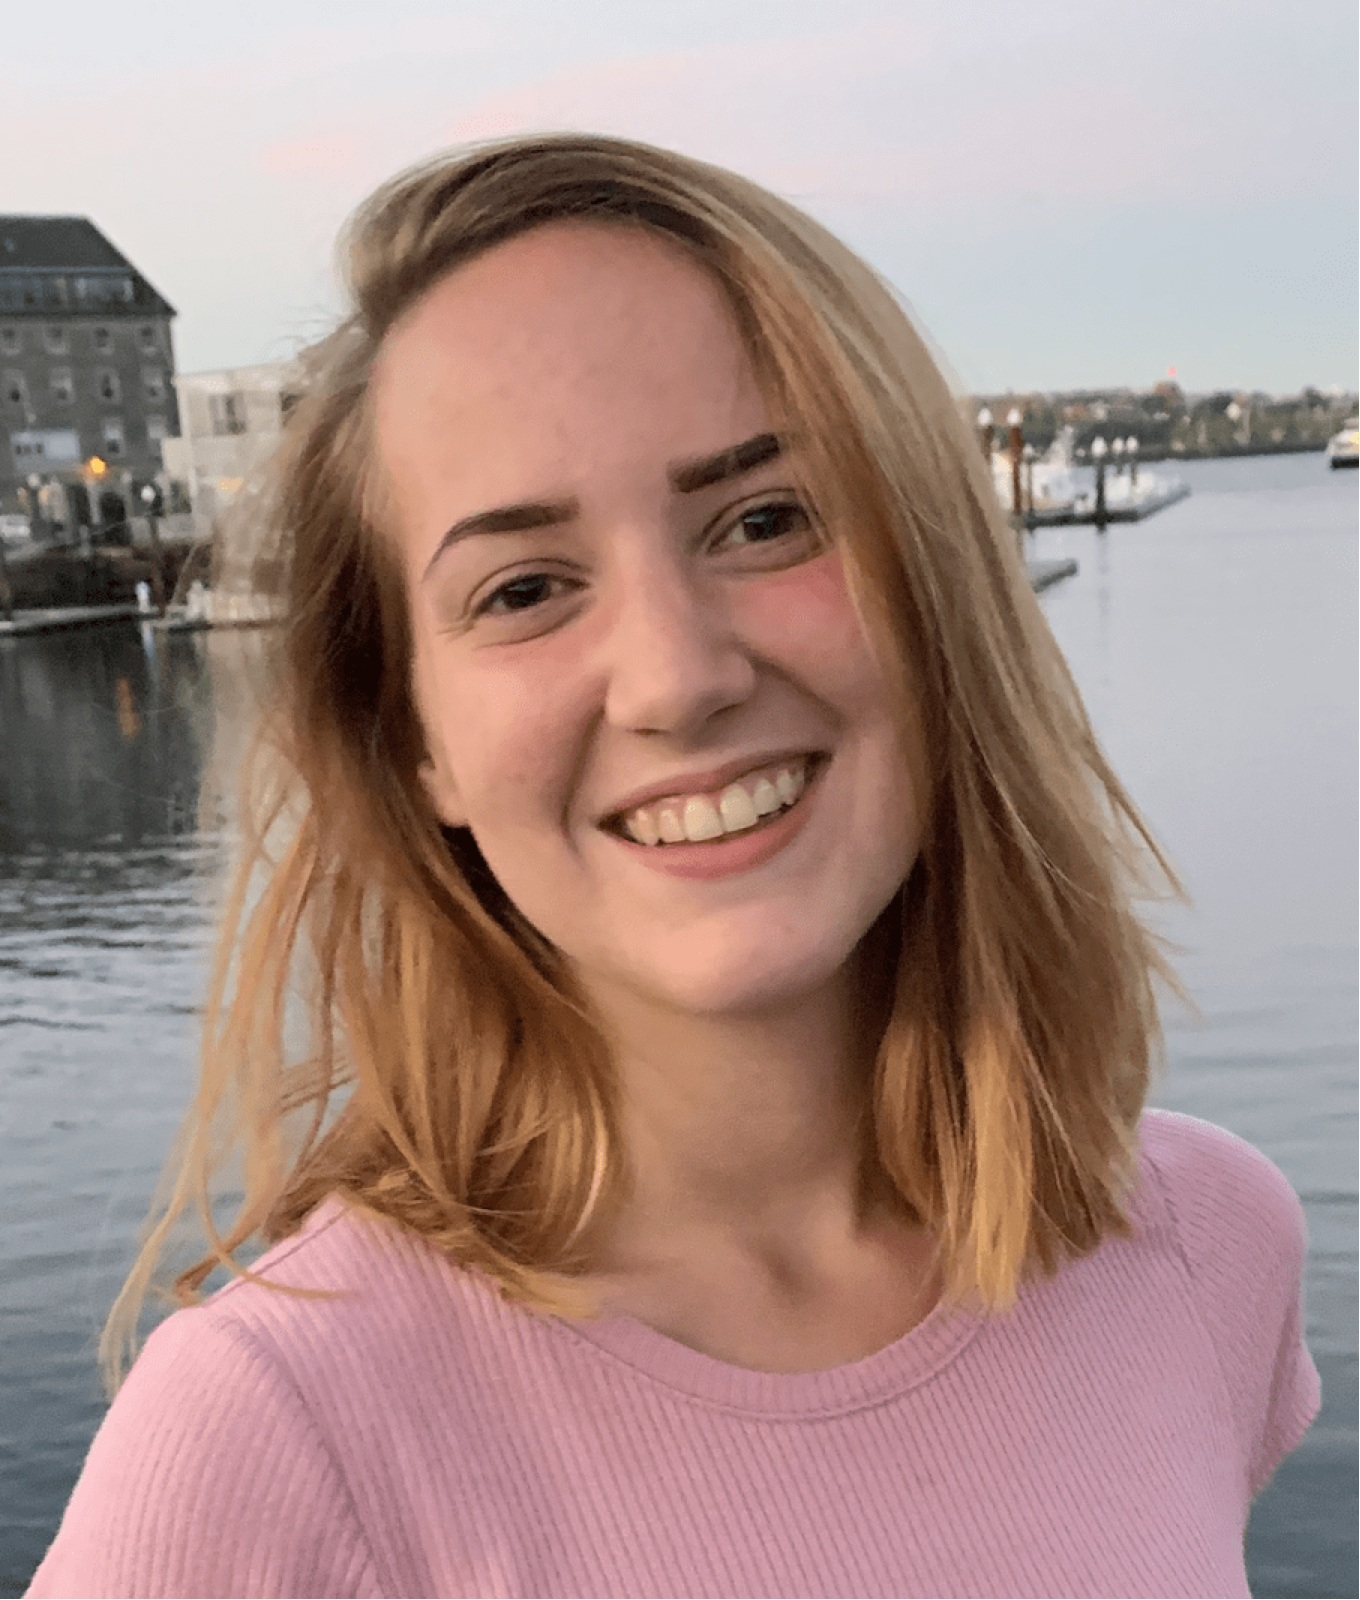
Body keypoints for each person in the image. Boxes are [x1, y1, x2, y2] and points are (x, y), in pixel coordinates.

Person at [28, 134, 1317, 1600]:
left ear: (938, 577)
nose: (676, 677)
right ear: (414, 743)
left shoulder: (1206, 1248)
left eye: (765, 519)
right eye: (524, 589)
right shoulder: (282, 1435)